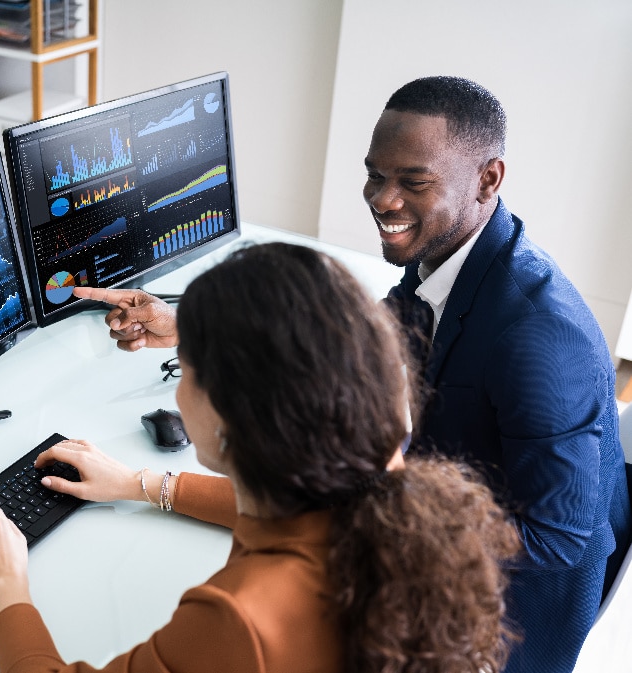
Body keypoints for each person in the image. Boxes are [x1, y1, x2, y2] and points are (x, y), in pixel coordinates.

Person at [75, 76, 632, 673]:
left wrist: (383, 520)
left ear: (488, 179)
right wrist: (195, 325)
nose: (382, 200)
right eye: (375, 175)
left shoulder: (538, 338)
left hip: (498, 627)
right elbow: (352, 338)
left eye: (413, 182)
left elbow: (562, 540)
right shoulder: (450, 262)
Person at [0, 243, 520, 673]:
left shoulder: (238, 618)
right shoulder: (384, 471)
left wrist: (7, 586)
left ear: (236, 416)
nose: (176, 391)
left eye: (188, 370)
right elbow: (303, 517)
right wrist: (143, 484)